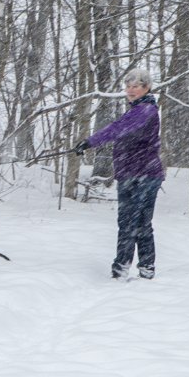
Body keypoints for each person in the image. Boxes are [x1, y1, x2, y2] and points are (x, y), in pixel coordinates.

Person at [73, 69, 164, 280]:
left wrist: (90, 142)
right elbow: (120, 129)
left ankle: (123, 269)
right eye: (128, 86)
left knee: (131, 223)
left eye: (136, 86)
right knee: (138, 223)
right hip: (135, 173)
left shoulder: (145, 110)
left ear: (146, 88)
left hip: (142, 174)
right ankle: (144, 268)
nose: (131, 90)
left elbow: (117, 129)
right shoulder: (138, 110)